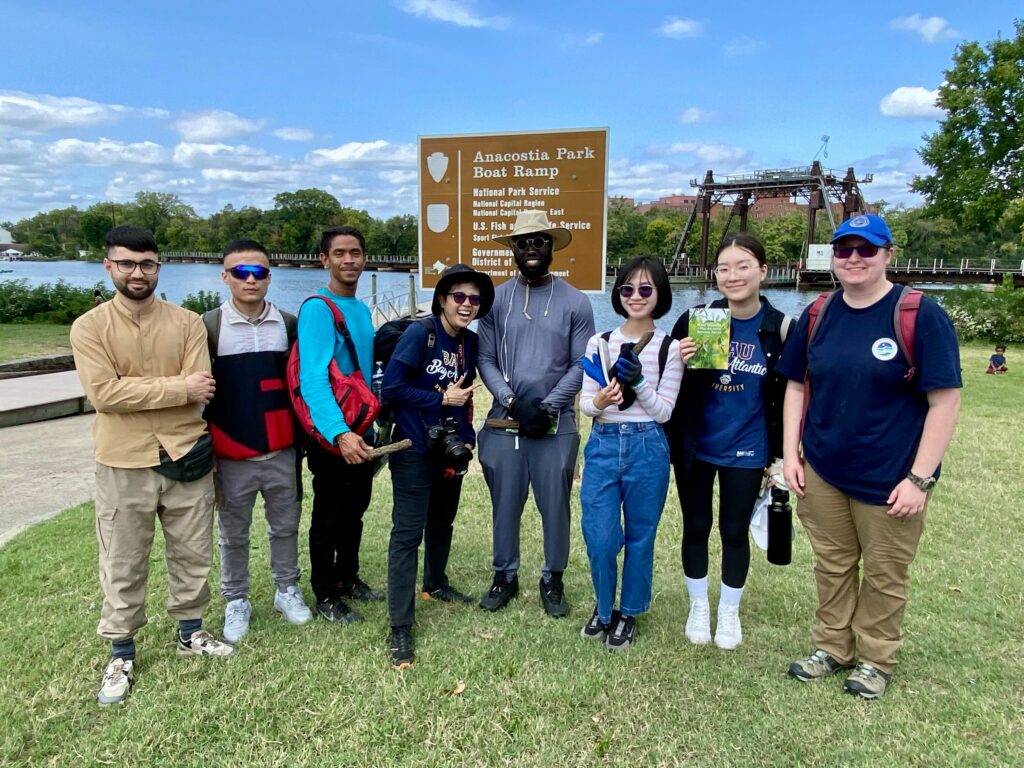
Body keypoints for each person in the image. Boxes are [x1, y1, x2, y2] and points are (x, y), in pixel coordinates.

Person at [777, 213, 962, 699]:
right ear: (833, 257)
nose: (854, 259)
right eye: (844, 250)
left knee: (884, 571)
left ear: (888, 254)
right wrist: (790, 454)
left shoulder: (918, 314)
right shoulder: (818, 313)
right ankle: (832, 647)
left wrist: (919, 479)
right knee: (832, 564)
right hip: (824, 467)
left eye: (867, 249)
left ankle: (876, 658)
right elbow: (796, 385)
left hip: (890, 475)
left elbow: (944, 401)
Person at [70, 226, 233, 707]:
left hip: (186, 453)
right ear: (109, 266)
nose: (136, 273)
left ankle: (190, 631)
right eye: (126, 264)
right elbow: (104, 395)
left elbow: (201, 388)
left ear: (158, 267)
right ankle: (121, 651)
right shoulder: (90, 327)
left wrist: (159, 390)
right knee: (123, 558)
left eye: (146, 264)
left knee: (193, 551)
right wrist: (176, 389)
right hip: (123, 461)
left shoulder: (187, 324)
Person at [668, 234, 791, 650]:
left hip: (748, 446)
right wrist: (678, 359)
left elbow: (791, 394)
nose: (733, 275)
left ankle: (730, 612)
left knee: (734, 531)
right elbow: (669, 381)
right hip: (696, 445)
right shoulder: (697, 319)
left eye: (743, 266)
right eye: (724, 268)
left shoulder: (778, 328)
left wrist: (782, 457)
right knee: (696, 527)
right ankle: (699, 605)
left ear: (762, 272)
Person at [477, 210, 596, 617]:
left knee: (555, 506)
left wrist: (548, 406)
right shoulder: (495, 300)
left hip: (555, 424)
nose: (530, 248)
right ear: (513, 249)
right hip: (505, 421)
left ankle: (553, 578)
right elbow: (486, 358)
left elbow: (582, 363)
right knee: (505, 504)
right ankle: (504, 574)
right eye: (522, 242)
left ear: (551, 247)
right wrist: (512, 401)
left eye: (538, 241)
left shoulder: (576, 301)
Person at [381, 264, 495, 668]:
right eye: (458, 297)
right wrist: (439, 401)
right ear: (443, 299)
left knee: (442, 522)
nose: (466, 305)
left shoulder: (469, 342)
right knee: (407, 534)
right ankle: (400, 626)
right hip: (413, 446)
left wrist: (466, 436)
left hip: (448, 446)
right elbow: (391, 388)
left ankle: (436, 583)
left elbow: (464, 395)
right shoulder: (420, 334)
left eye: (474, 299)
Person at [202, 239, 312, 644]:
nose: (251, 280)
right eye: (241, 272)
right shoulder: (208, 327)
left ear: (270, 276)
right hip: (231, 453)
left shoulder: (288, 324)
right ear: (225, 276)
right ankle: (236, 599)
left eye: (260, 272)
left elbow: (302, 385)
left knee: (285, 525)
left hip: (282, 450)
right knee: (233, 532)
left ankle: (287, 589)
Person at [578, 257, 682, 650]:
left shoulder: (668, 347)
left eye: (645, 290)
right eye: (627, 290)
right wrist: (601, 400)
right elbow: (587, 404)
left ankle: (629, 612)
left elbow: (664, 411)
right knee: (599, 534)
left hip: (648, 445)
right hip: (603, 442)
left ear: (659, 295)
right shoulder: (599, 342)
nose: (635, 297)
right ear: (618, 295)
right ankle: (603, 608)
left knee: (641, 535)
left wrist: (637, 381)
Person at [298, 225, 381, 624]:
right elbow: (312, 379)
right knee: (329, 514)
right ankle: (325, 592)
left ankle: (348, 577)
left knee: (355, 509)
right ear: (324, 259)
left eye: (356, 253)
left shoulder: (361, 309)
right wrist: (339, 433)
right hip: (333, 433)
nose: (349, 260)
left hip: (359, 427)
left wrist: (363, 428)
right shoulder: (317, 307)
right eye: (340, 253)